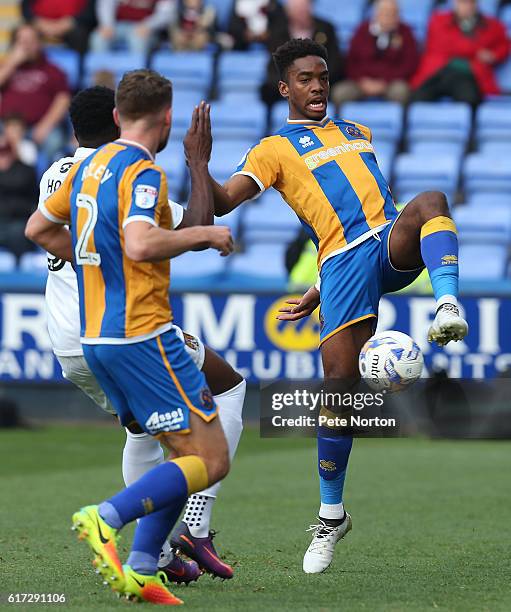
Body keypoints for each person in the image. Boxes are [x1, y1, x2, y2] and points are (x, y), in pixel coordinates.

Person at [210, 38, 468, 574]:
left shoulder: (358, 133)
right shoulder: (272, 149)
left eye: (323, 77)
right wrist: (195, 160)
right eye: (305, 79)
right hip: (342, 266)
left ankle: (446, 307)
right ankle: (331, 517)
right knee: (340, 387)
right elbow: (220, 202)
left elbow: (370, 201)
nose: (317, 87)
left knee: (431, 203)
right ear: (285, 88)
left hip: (387, 240)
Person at [25, 69, 234, 604]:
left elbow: (38, 231)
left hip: (93, 337)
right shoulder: (142, 172)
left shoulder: (83, 167)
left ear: (119, 116)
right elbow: (140, 243)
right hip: (141, 335)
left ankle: (144, 565)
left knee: (172, 447)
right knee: (209, 459)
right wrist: (204, 233)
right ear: (166, 119)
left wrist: (97, 262)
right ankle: (107, 516)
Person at [411, 0, 510, 107]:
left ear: (476, 4)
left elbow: (504, 44)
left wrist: (494, 55)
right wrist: (475, 50)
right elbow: (449, 45)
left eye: (470, 3)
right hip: (438, 72)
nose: (466, 7)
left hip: (468, 74)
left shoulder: (491, 25)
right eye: (462, 2)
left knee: (469, 98)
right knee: (417, 99)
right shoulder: (438, 20)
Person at [0, 24, 71, 161]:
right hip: (6, 126)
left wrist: (45, 125)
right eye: (22, 41)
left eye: (31, 41)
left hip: (38, 127)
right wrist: (12, 63)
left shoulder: (53, 70)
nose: (26, 46)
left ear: (39, 43)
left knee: (54, 141)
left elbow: (63, 100)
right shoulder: (7, 67)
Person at [333, 0, 418, 107]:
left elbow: (409, 64)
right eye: (385, 13)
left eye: (393, 13)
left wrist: (384, 81)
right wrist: (362, 81)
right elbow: (351, 61)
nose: (389, 17)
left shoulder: (406, 33)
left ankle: (398, 122)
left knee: (401, 92)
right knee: (340, 92)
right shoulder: (362, 30)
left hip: (391, 83)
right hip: (362, 83)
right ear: (376, 14)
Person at [260, 0, 342, 108]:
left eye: (304, 8)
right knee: (267, 91)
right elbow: (274, 67)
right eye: (298, 10)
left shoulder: (326, 29)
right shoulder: (278, 32)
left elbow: (334, 63)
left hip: (321, 84)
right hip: (289, 86)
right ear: (288, 12)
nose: (302, 13)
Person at [0, 132, 38, 258]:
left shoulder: (25, 170)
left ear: (13, 153)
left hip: (19, 221)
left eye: (6, 152)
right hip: (2, 220)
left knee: (17, 234)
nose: (3, 157)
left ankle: (20, 273)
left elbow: (19, 182)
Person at [90, 0, 176, 56]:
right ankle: (101, 76)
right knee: (99, 37)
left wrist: (148, 25)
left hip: (147, 28)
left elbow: (166, 14)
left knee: (138, 39)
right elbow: (106, 4)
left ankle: (137, 79)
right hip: (118, 25)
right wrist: (107, 24)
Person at [22, 0, 97, 54]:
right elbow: (26, 8)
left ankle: (79, 71)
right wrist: (40, 23)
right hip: (41, 26)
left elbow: (91, 11)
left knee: (80, 34)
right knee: (25, 34)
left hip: (72, 26)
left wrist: (70, 22)